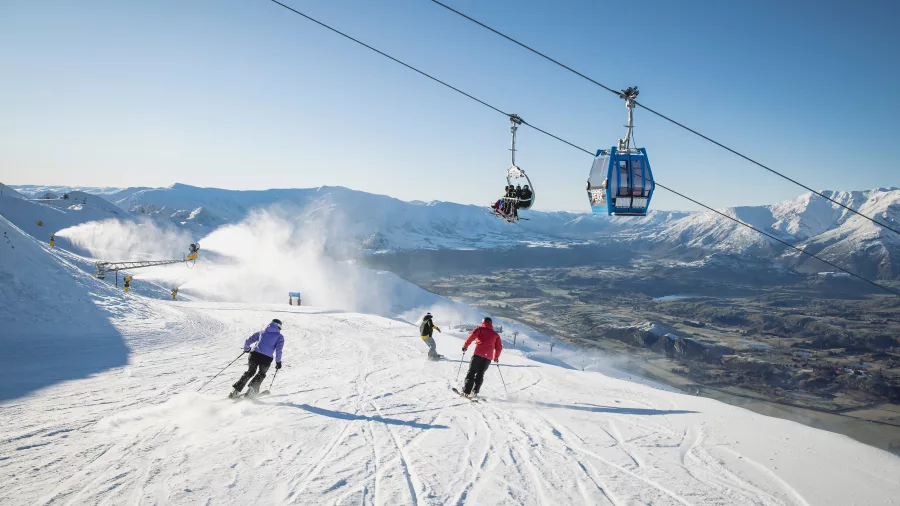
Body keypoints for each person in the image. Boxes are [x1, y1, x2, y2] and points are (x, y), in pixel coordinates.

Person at [230, 319, 285, 398]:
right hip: (266, 359)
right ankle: (251, 391)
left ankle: (235, 391)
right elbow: (278, 350)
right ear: (279, 326)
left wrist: (247, 348)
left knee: (250, 372)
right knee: (261, 374)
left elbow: (249, 340)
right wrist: (278, 362)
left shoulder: (262, 332)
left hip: (254, 355)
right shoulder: (279, 337)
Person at [460, 317, 503, 398]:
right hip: (488, 358)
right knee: (480, 374)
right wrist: (496, 357)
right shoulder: (496, 335)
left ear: (483, 322)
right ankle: (475, 392)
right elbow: (499, 348)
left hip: (478, 354)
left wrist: (465, 346)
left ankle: (466, 391)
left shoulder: (480, 329)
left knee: (472, 372)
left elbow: (471, 337)